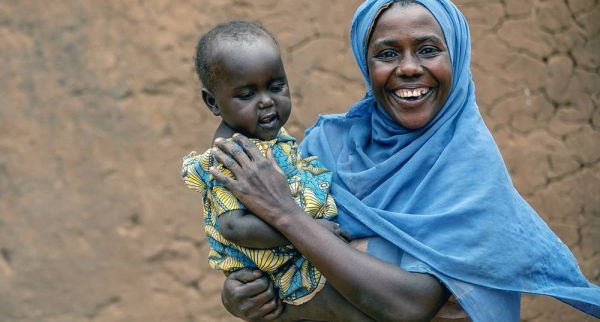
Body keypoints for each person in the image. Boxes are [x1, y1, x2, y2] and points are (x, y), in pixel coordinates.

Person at [208, 0, 600, 321]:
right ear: (367, 65)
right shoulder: (325, 148)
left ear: (457, 56)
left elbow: (409, 305)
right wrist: (243, 295)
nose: (409, 67)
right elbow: (276, 263)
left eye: (428, 49)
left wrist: (287, 217)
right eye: (387, 53)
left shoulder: (471, 175)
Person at [181, 20, 376, 321]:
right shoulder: (229, 157)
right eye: (247, 95)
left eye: (276, 87)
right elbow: (233, 226)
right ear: (213, 102)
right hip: (278, 272)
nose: (267, 101)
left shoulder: (267, 140)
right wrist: (308, 233)